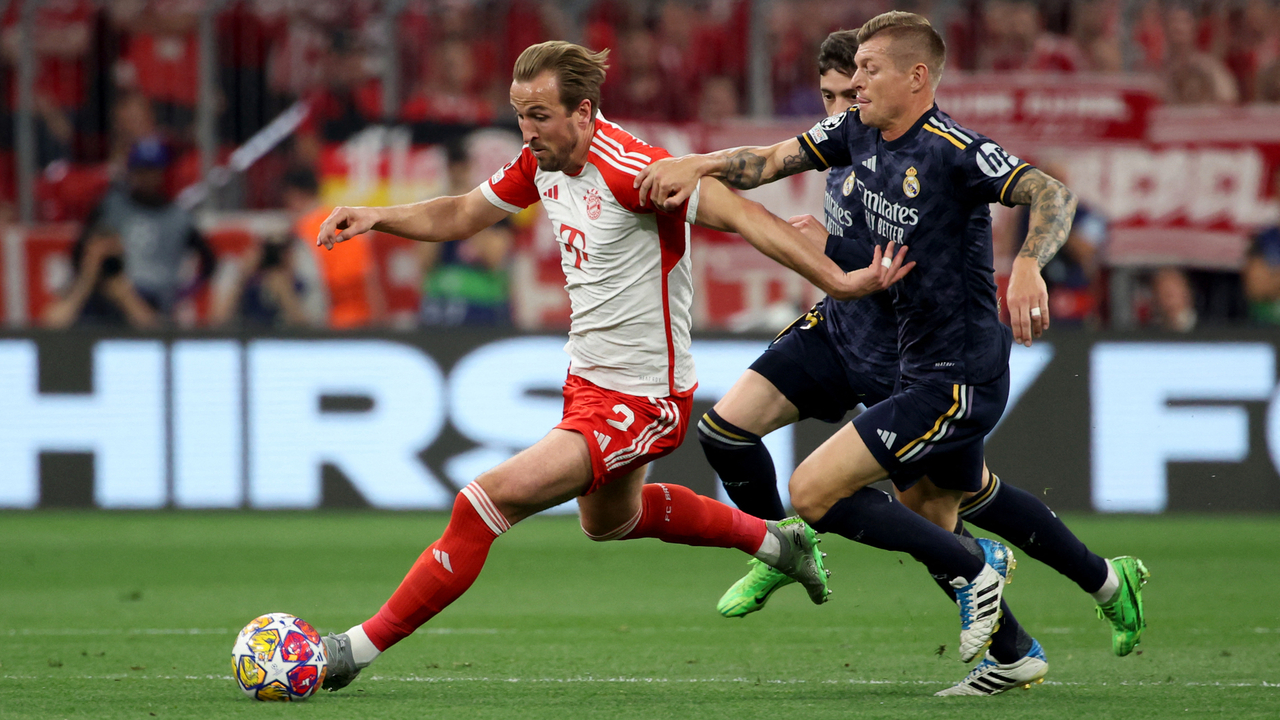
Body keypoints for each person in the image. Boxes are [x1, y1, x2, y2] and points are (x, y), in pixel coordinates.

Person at [311, 40, 950, 693]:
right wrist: (378, 217)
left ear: (584, 113)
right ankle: (777, 545)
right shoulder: (543, 162)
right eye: (519, 114)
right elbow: (464, 212)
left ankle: (351, 651)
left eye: (538, 115)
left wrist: (838, 282)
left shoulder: (634, 171)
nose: (525, 132)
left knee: (484, 503)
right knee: (609, 522)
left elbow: (746, 216)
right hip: (586, 382)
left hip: (643, 399)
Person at [635, 11, 1147, 695]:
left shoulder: (951, 150)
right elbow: (768, 161)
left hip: (948, 370)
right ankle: (1073, 600)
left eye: (868, 72)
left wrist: (1028, 263)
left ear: (915, 77)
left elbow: (1048, 190)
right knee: (947, 497)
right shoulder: (855, 134)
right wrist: (696, 163)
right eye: (848, 78)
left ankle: (981, 579)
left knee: (919, 507)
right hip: (876, 343)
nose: (855, 85)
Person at [79, 137, 216, 317]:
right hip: (114, 291)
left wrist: (184, 293)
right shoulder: (112, 206)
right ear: (132, 172)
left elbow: (209, 261)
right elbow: (82, 248)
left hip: (157, 296)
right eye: (141, 171)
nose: (147, 178)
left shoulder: (178, 217)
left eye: (153, 171)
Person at [284, 166, 384, 329]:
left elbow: (310, 286)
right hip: (364, 320)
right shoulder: (346, 221)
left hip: (330, 325)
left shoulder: (302, 231)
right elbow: (370, 280)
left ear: (294, 195)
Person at [42, 226, 159, 329]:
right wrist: (86, 281)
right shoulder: (71, 294)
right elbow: (51, 327)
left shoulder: (140, 294)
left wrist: (125, 296)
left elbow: (155, 331)